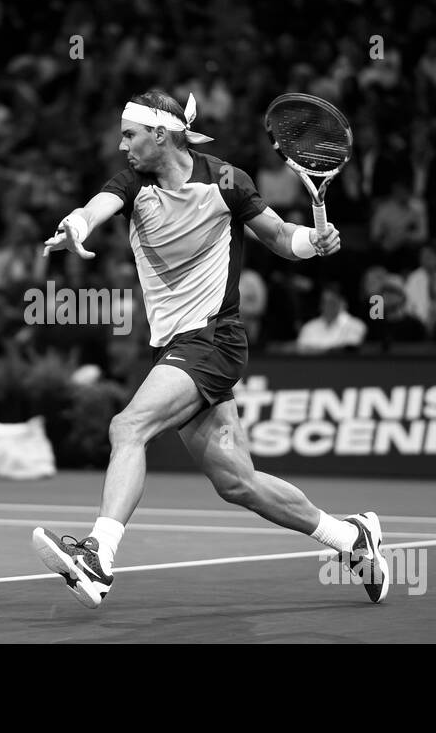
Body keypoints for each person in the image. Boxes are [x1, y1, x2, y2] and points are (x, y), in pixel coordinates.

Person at [31, 90, 388, 609]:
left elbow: (282, 238)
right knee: (237, 483)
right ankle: (351, 537)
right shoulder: (134, 183)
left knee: (128, 427)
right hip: (176, 346)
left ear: (161, 133)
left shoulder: (226, 180)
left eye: (131, 134)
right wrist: (76, 225)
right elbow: (96, 207)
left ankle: (98, 557)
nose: (122, 144)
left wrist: (315, 241)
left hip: (213, 337)